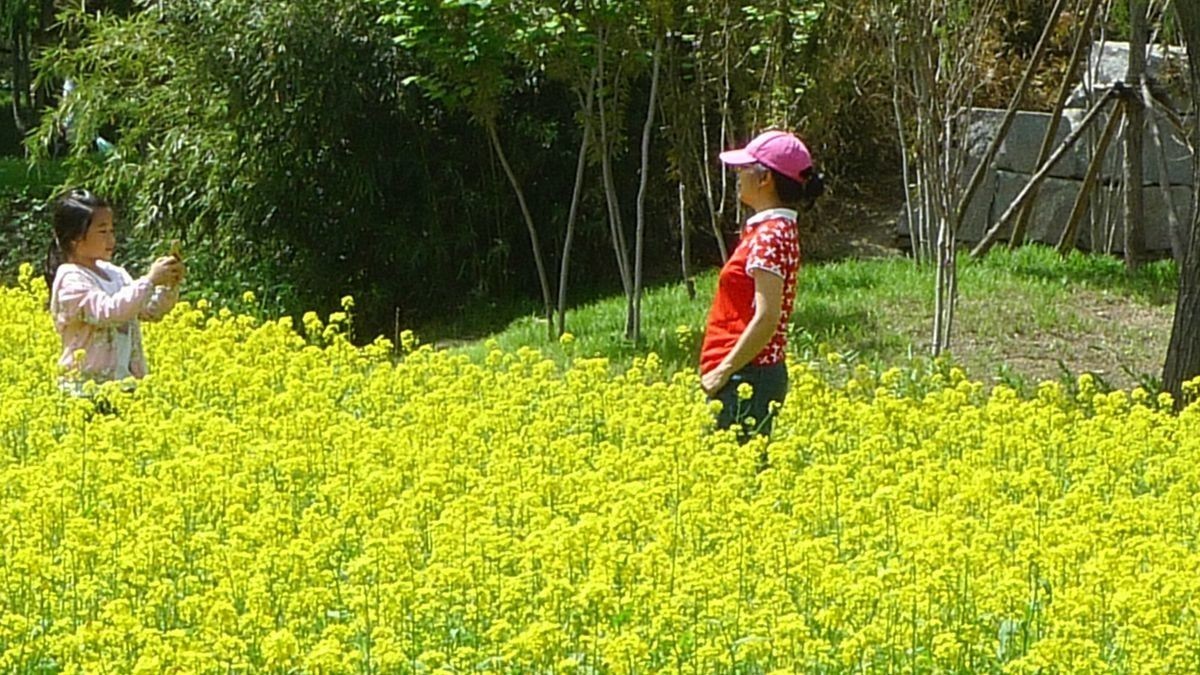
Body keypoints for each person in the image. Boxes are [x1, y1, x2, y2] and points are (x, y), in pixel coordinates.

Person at [699, 130, 824, 444]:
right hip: (748, 372)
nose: (738, 176)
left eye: (744, 169)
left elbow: (767, 318)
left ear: (765, 178)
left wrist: (723, 370)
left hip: (748, 374)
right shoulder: (774, 229)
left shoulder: (771, 234)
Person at [44, 189, 185, 390]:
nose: (111, 239)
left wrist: (168, 284)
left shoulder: (114, 273)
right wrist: (150, 280)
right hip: (84, 390)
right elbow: (109, 312)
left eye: (112, 230)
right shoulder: (71, 279)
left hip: (124, 385)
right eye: (102, 232)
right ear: (75, 238)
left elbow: (150, 310)